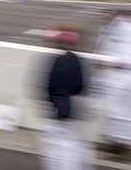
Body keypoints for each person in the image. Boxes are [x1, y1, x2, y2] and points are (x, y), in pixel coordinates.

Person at [38, 25, 94, 170]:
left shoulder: (58, 60)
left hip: (60, 108)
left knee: (59, 148)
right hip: (71, 108)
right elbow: (82, 85)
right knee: (72, 144)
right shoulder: (78, 60)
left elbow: (49, 84)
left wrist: (52, 101)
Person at [90, 9, 131, 161]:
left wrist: (108, 62)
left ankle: (122, 147)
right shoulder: (116, 26)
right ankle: (116, 142)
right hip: (114, 76)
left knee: (120, 112)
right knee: (112, 111)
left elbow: (127, 57)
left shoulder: (128, 28)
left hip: (125, 76)